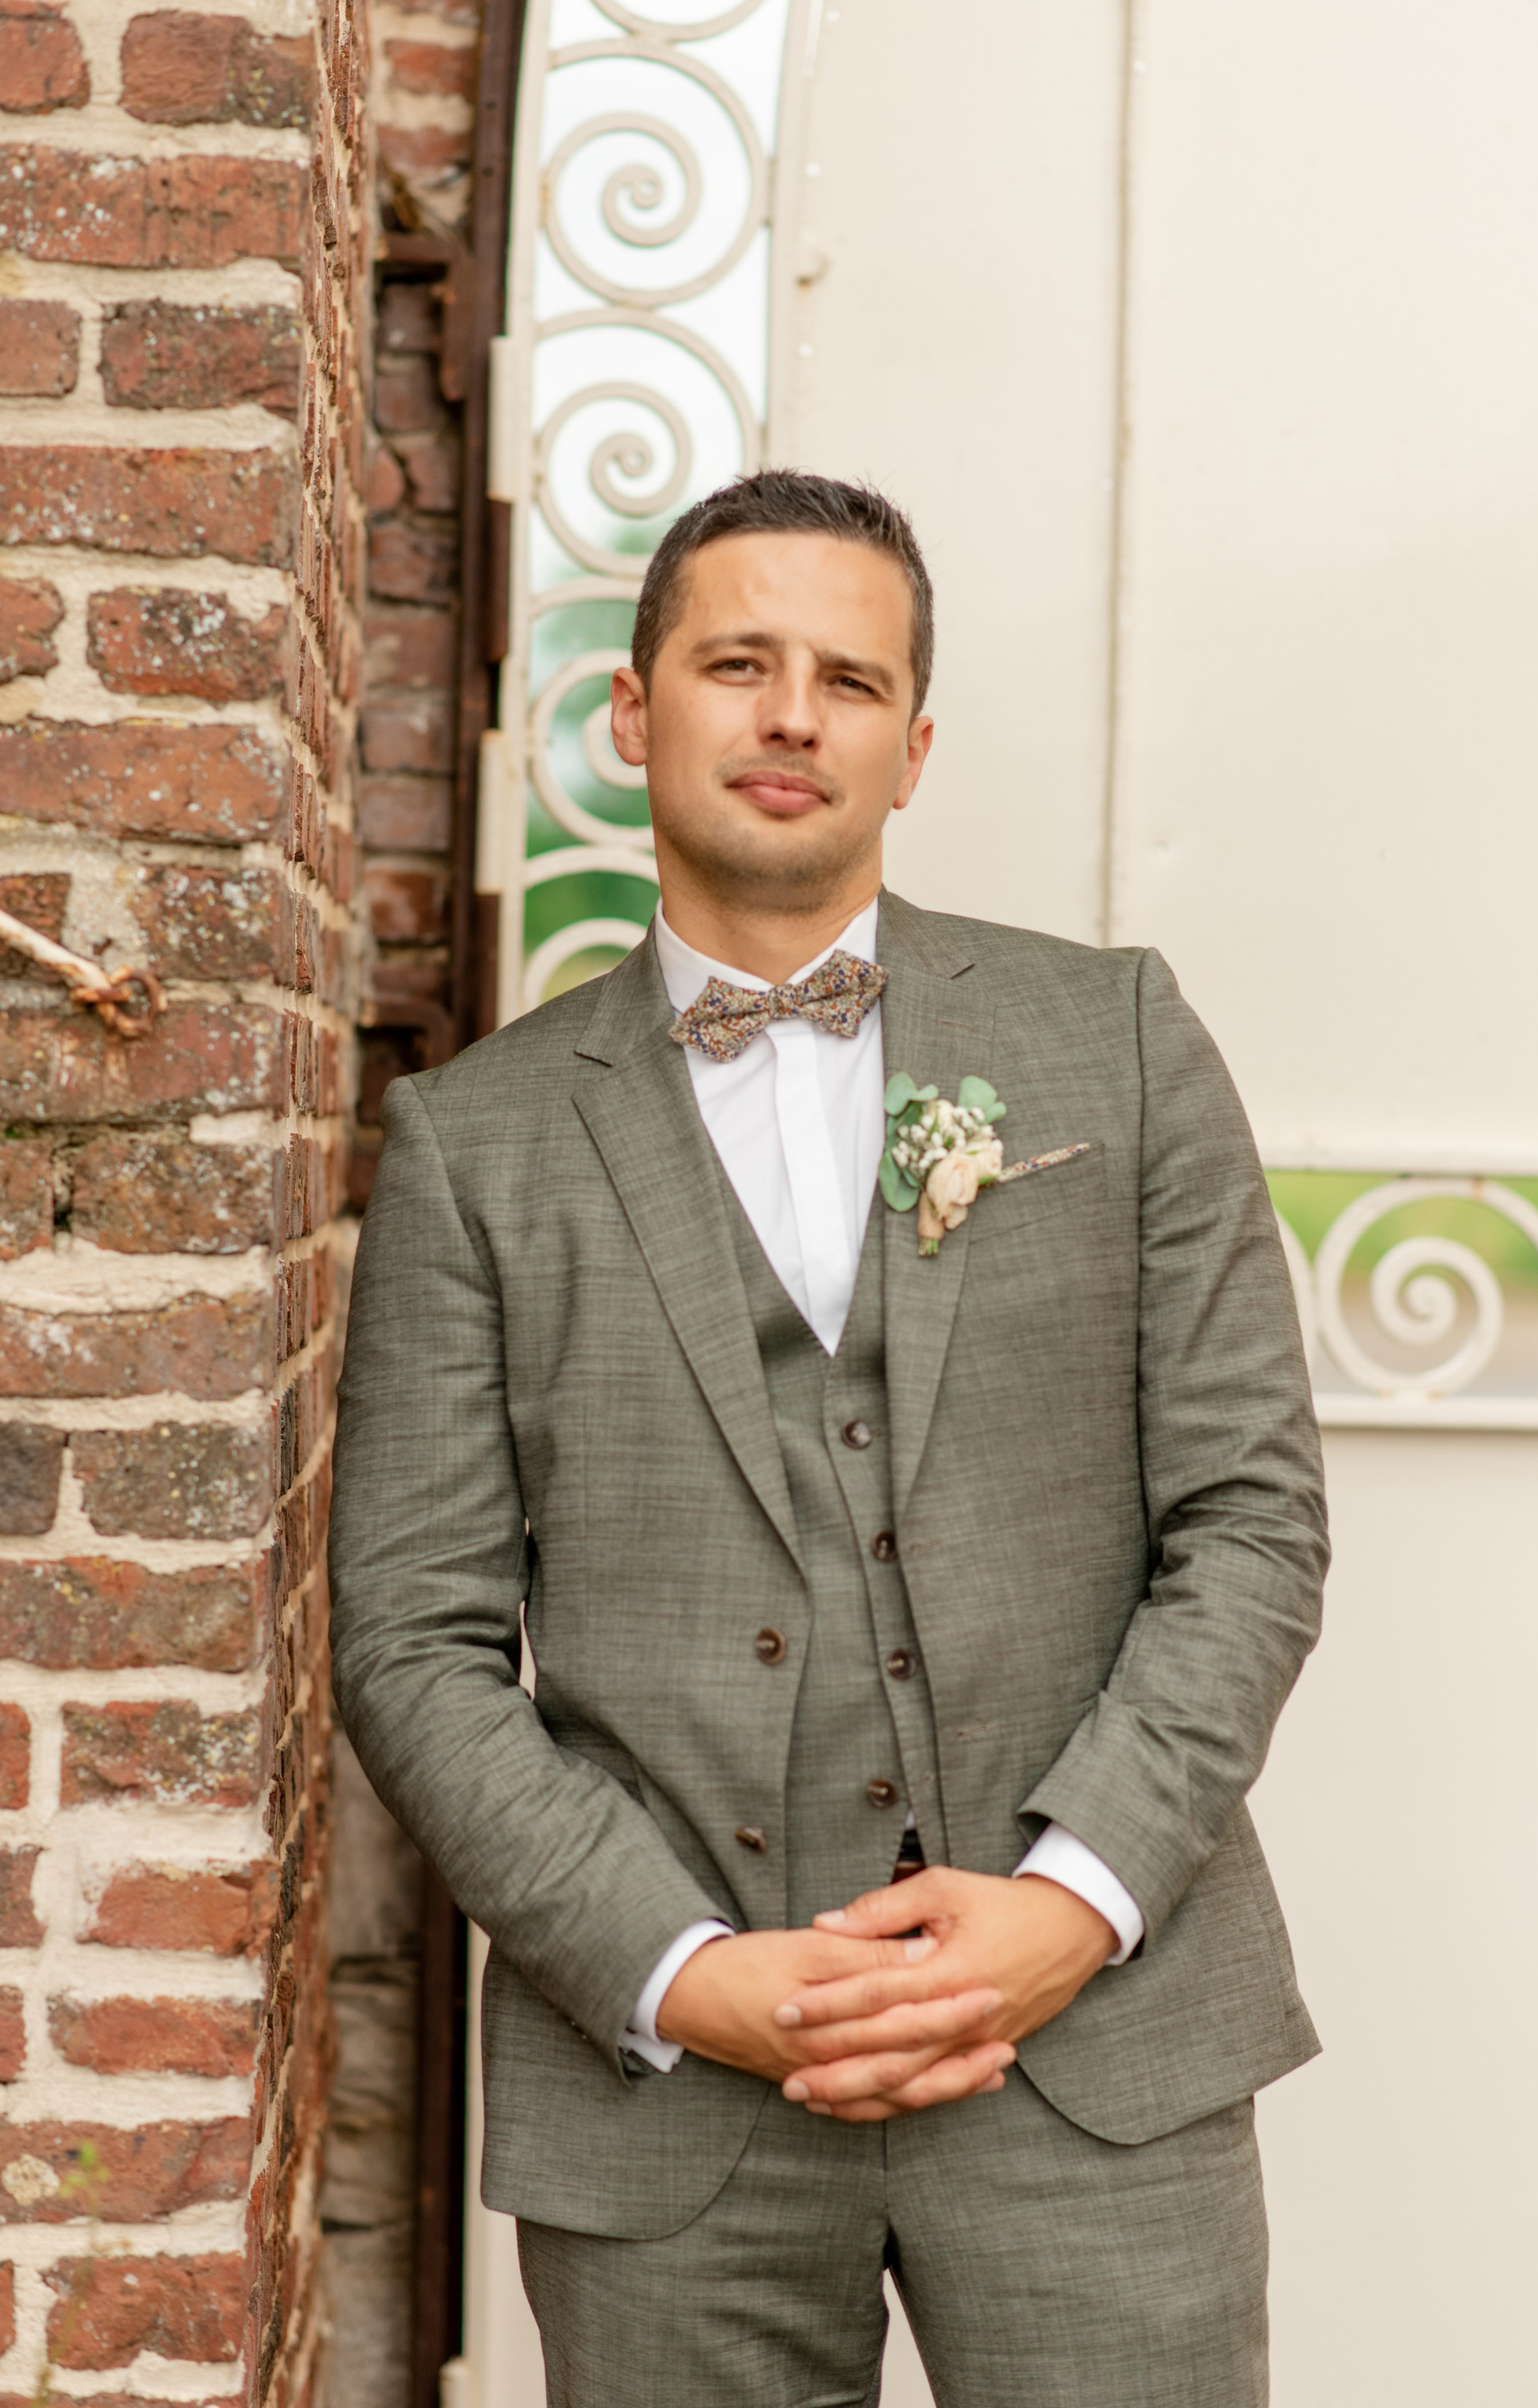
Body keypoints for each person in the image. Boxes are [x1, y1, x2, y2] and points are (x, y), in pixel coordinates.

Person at [329, 470, 1328, 2407]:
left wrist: (1067, 1904)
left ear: (913, 744)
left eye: (850, 680)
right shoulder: (479, 1142)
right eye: (738, 661)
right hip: (667, 2105)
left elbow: (1253, 1523)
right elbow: (414, 1641)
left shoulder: (1114, 1038)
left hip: (1097, 2052)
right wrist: (694, 1971)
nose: (793, 714)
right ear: (634, 713)